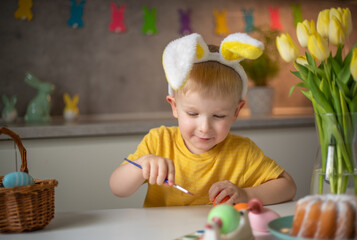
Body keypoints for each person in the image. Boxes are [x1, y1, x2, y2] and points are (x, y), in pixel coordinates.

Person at [109, 33, 296, 207]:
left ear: (236, 111)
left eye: (218, 116)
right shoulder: (159, 141)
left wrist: (246, 195)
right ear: (174, 106)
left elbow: (288, 187)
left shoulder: (243, 151)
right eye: (192, 114)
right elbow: (117, 188)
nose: (204, 128)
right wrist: (142, 165)